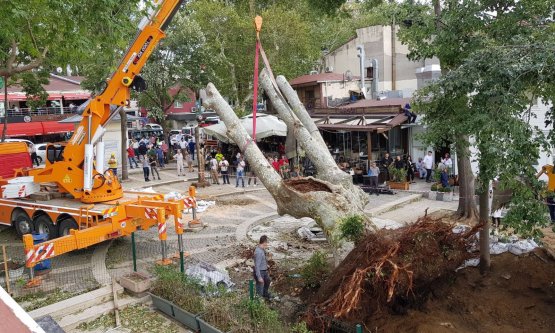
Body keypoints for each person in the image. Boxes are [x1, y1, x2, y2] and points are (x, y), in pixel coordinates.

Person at [253, 235, 272, 300]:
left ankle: (265, 294)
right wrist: (259, 277)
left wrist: (266, 265)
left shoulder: (262, 249)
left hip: (264, 270)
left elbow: (263, 259)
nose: (267, 244)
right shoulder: (258, 252)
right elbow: (257, 266)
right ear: (264, 242)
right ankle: (259, 301)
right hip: (260, 272)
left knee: (268, 281)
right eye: (267, 242)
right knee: (260, 286)